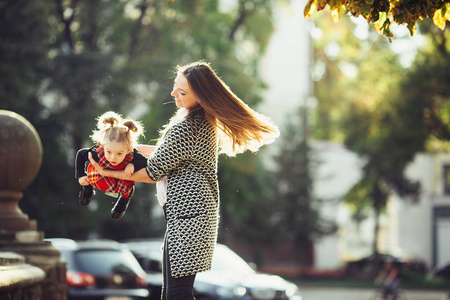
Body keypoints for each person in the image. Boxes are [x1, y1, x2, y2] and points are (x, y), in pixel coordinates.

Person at [88, 60, 279, 300]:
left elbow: (152, 171)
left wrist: (106, 172)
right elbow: (163, 152)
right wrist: (120, 150)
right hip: (187, 217)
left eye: (182, 91)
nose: (173, 93)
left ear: (199, 96)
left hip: (190, 219)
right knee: (172, 294)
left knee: (177, 294)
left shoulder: (189, 128)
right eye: (175, 86)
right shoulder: (196, 120)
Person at [75, 111, 147, 219]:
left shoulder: (132, 155)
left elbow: (145, 162)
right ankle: (86, 189)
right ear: (103, 145)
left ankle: (121, 205)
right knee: (86, 181)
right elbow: (81, 154)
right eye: (108, 152)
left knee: (128, 190)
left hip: (120, 183)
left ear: (128, 150)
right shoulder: (97, 153)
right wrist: (81, 176)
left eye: (119, 153)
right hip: (98, 178)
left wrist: (132, 165)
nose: (113, 158)